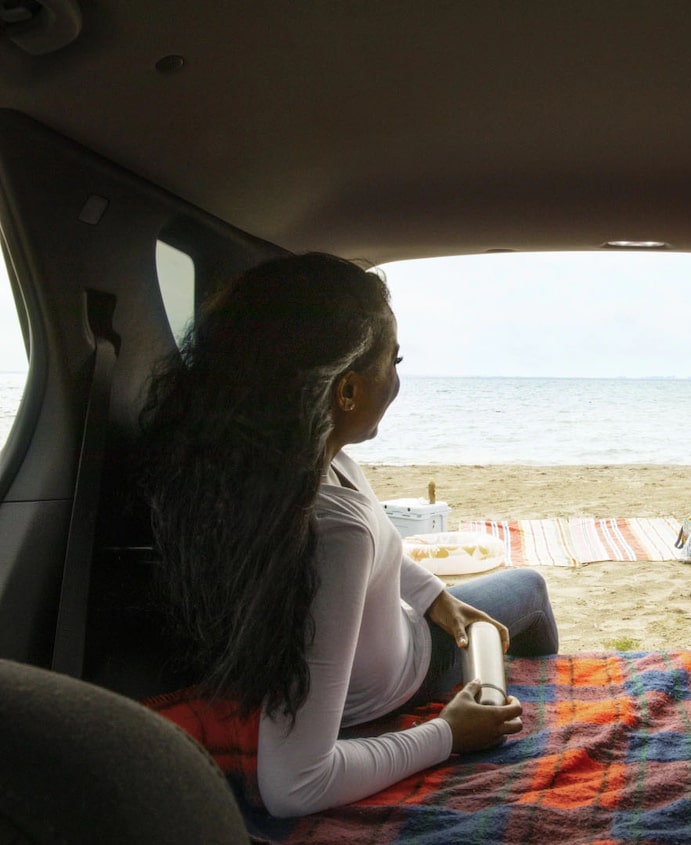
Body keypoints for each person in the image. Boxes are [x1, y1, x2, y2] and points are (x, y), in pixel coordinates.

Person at [140, 252, 558, 817]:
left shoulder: (275, 468)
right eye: (395, 360)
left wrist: (439, 599)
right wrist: (449, 732)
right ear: (348, 391)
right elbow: (295, 784)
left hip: (400, 629)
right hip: (400, 678)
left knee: (487, 605)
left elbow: (375, 549)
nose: (398, 379)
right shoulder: (335, 531)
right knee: (528, 586)